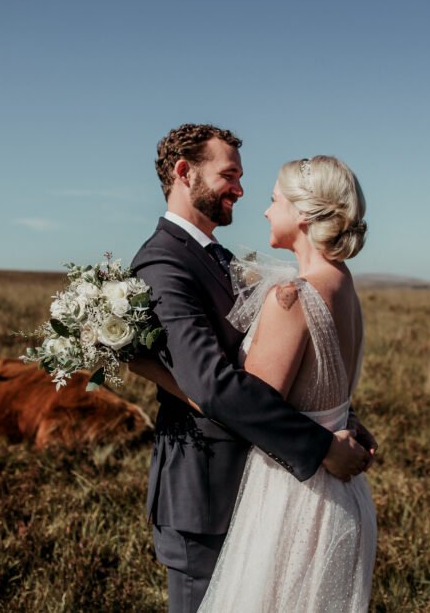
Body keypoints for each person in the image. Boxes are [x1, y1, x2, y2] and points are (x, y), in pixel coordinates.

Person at [128, 125, 376, 613]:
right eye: (230, 175)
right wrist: (324, 440)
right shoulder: (163, 263)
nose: (244, 192)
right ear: (184, 172)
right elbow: (216, 388)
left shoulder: (226, 260)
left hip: (273, 489)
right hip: (207, 494)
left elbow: (292, 366)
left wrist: (336, 419)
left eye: (260, 189)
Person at [197, 155, 376, 611]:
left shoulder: (293, 297)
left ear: (301, 213)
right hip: (344, 496)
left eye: (274, 200)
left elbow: (254, 408)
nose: (264, 211)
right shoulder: (343, 282)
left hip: (293, 495)